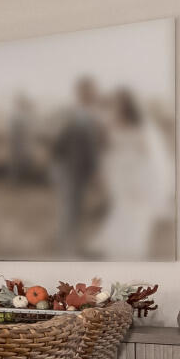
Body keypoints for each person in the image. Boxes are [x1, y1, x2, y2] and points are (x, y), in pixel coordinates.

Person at [90, 88, 173, 259]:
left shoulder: (141, 126)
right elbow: (108, 146)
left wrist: (135, 168)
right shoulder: (112, 122)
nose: (117, 106)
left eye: (120, 102)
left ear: (128, 104)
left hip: (135, 171)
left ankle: (131, 245)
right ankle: (115, 242)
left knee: (135, 210)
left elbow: (147, 152)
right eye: (116, 102)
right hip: (117, 170)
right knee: (121, 205)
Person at [48, 77, 103, 256]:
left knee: (77, 207)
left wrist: (93, 168)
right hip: (68, 169)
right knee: (68, 207)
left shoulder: (92, 114)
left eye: (93, 90)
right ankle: (66, 246)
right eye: (89, 91)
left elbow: (93, 146)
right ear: (81, 93)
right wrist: (61, 165)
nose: (93, 94)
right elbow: (57, 142)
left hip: (81, 170)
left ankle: (73, 243)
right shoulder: (71, 114)